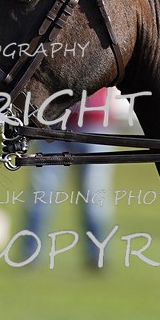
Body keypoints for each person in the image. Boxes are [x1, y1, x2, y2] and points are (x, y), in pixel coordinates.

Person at [22, 88, 116, 267]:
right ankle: (30, 255)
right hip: (54, 125)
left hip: (94, 124)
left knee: (95, 195)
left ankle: (97, 256)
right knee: (41, 193)